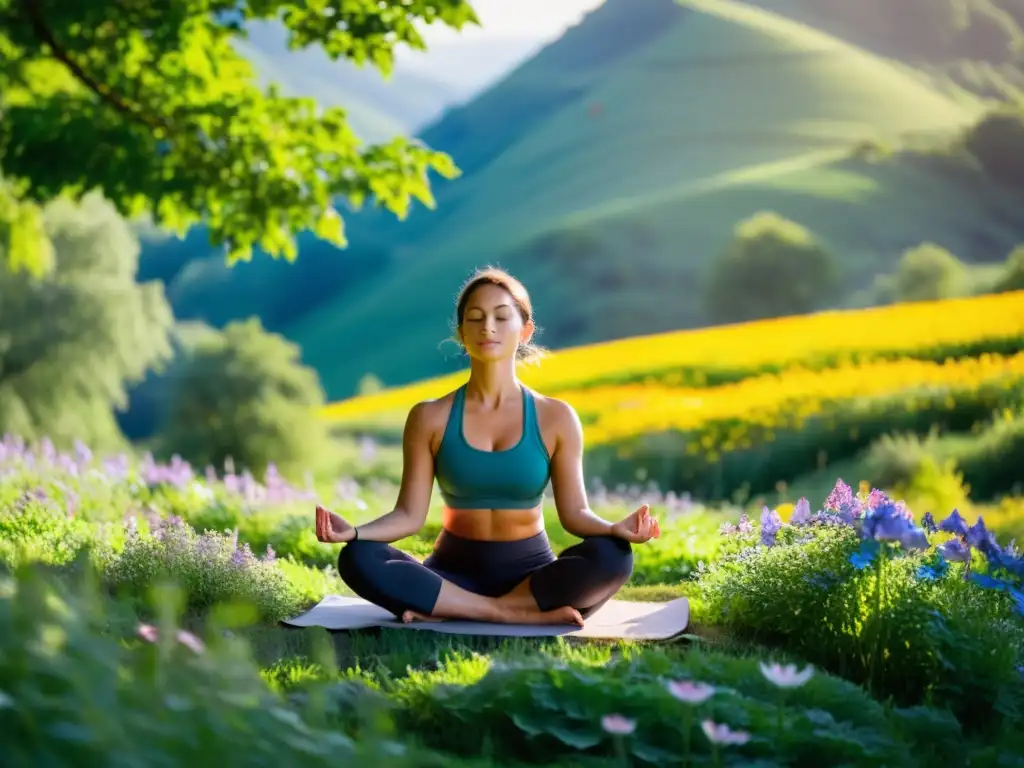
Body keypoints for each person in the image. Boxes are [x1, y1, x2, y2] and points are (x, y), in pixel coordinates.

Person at [314, 266, 661, 627]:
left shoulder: (556, 417)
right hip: (451, 574)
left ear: (525, 330)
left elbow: (575, 515)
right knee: (356, 558)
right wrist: (353, 533)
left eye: (501, 316)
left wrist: (614, 529)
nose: (487, 328)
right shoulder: (430, 417)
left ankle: (454, 608)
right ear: (461, 333)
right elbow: (409, 516)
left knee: (614, 557)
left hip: (532, 577)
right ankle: (509, 613)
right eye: (474, 318)